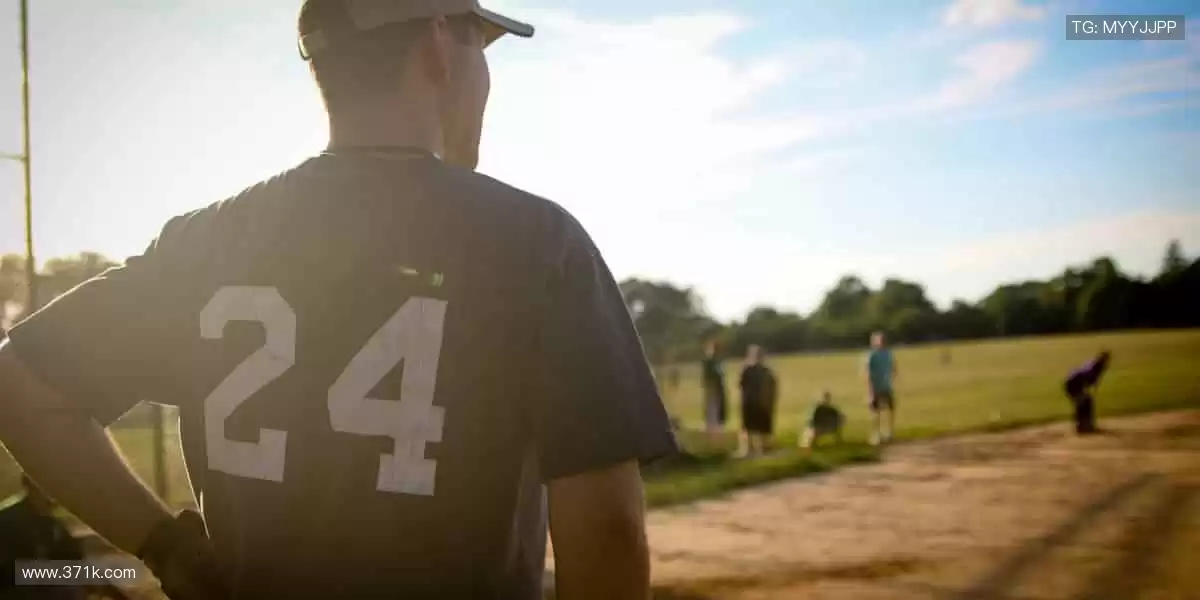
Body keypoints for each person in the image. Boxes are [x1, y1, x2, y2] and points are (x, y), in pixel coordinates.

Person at [0, 2, 678, 599]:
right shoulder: (538, 243)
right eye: (481, 42)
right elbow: (610, 532)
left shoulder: (207, 242)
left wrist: (164, 545)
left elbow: (17, 386)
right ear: (439, 42)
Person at [0, 474, 90, 600]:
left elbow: (75, 560)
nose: (52, 497)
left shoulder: (52, 522)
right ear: (29, 486)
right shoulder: (7, 520)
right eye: (44, 488)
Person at [737, 345, 778, 457]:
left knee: (761, 427)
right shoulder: (748, 370)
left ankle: (762, 448)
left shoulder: (765, 371)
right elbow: (741, 385)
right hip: (750, 401)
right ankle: (749, 449)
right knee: (748, 427)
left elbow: (772, 385)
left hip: (760, 402)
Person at [1064, 350, 1111, 434]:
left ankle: (1085, 424)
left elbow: (1089, 380)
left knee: (1086, 401)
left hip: (1074, 382)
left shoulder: (1095, 365)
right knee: (1084, 401)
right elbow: (1087, 379)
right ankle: (1083, 425)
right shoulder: (1095, 367)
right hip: (1072, 384)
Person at [865, 331, 898, 445]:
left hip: (886, 386)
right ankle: (876, 435)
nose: (882, 341)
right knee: (876, 411)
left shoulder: (888, 353)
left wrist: (893, 377)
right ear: (874, 342)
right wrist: (870, 390)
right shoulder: (871, 355)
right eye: (879, 339)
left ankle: (889, 433)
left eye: (883, 339)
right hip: (876, 387)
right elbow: (868, 373)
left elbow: (893, 366)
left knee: (891, 409)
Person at [700, 340, 728, 435]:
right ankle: (711, 426)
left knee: (719, 406)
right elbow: (707, 376)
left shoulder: (717, 361)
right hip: (711, 387)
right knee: (711, 406)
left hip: (718, 387)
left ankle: (717, 425)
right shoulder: (708, 362)